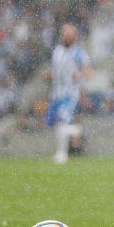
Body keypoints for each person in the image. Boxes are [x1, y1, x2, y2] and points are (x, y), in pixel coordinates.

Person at [44, 23, 91, 165]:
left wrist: (80, 74)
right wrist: (49, 74)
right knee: (54, 124)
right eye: (65, 34)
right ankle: (76, 130)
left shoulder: (79, 53)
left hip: (70, 94)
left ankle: (62, 154)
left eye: (70, 35)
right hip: (56, 93)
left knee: (61, 121)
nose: (67, 37)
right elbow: (56, 70)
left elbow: (89, 72)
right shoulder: (57, 51)